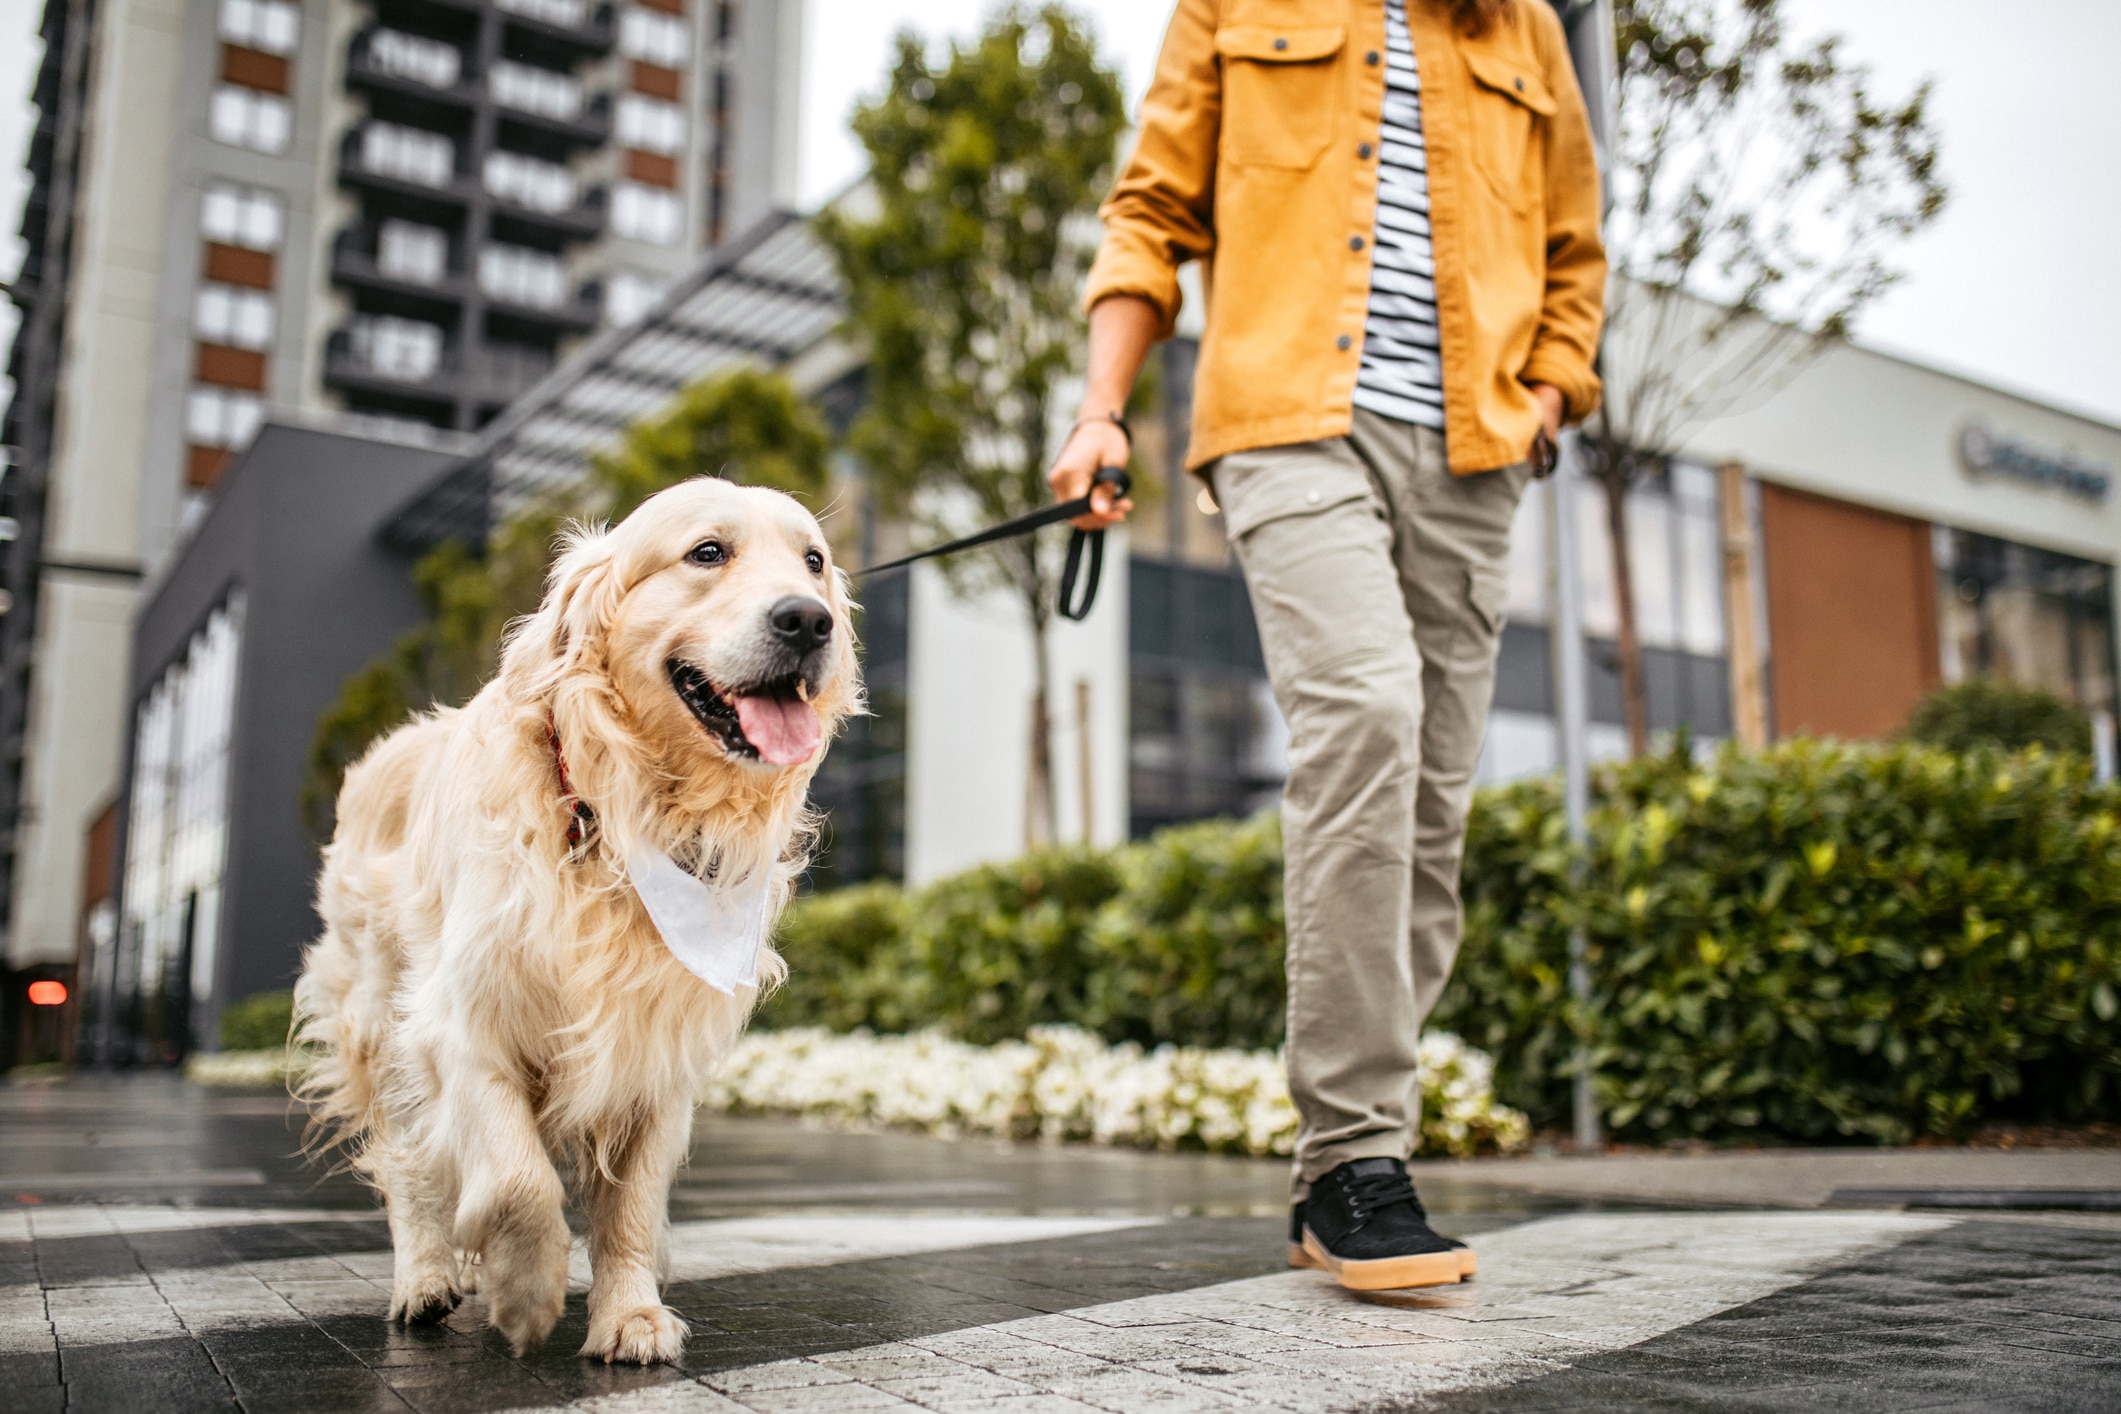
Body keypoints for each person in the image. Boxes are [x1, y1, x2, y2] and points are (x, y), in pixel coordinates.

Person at [1052, 0, 1606, 1291]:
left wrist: (1540, 398)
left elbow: (1575, 251)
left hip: (1473, 457)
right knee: (1364, 716)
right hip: (1288, 420)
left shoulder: (1521, 26)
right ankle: (1357, 1154)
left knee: (1426, 811)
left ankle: (1337, 1165)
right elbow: (1149, 213)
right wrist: (1100, 410)